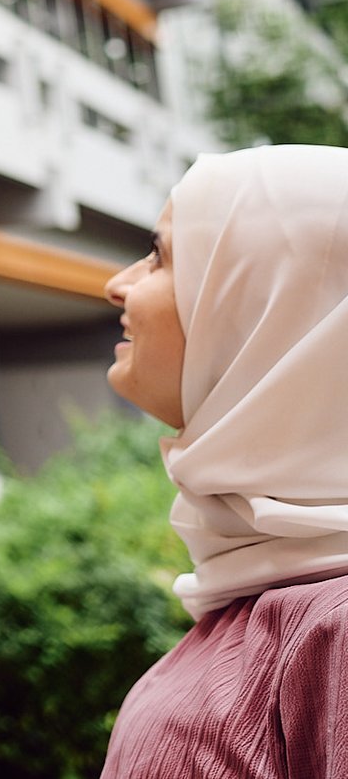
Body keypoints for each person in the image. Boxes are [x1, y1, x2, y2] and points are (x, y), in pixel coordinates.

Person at [99, 145, 348, 777]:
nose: (117, 285)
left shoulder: (336, 627)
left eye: (160, 256)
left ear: (264, 297)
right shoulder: (273, 577)